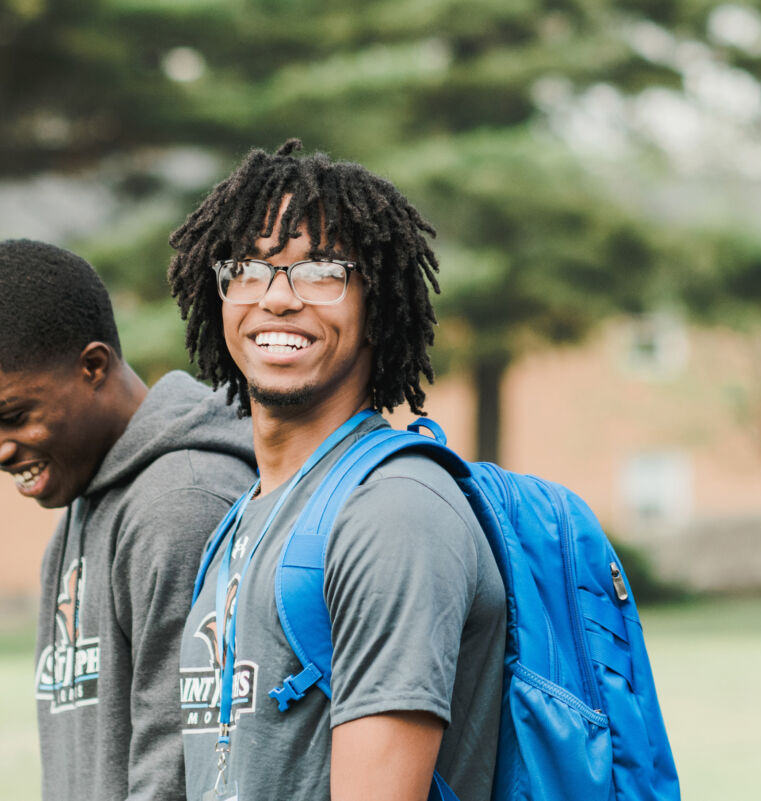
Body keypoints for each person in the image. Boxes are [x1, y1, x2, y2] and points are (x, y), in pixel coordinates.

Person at [168, 141, 507, 801]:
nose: (278, 299)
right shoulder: (245, 519)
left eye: (320, 273)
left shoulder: (393, 511)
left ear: (375, 303)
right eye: (249, 269)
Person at [0, 239, 256, 801]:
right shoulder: (87, 495)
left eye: (11, 417)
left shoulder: (182, 506)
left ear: (93, 367)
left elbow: (181, 764)